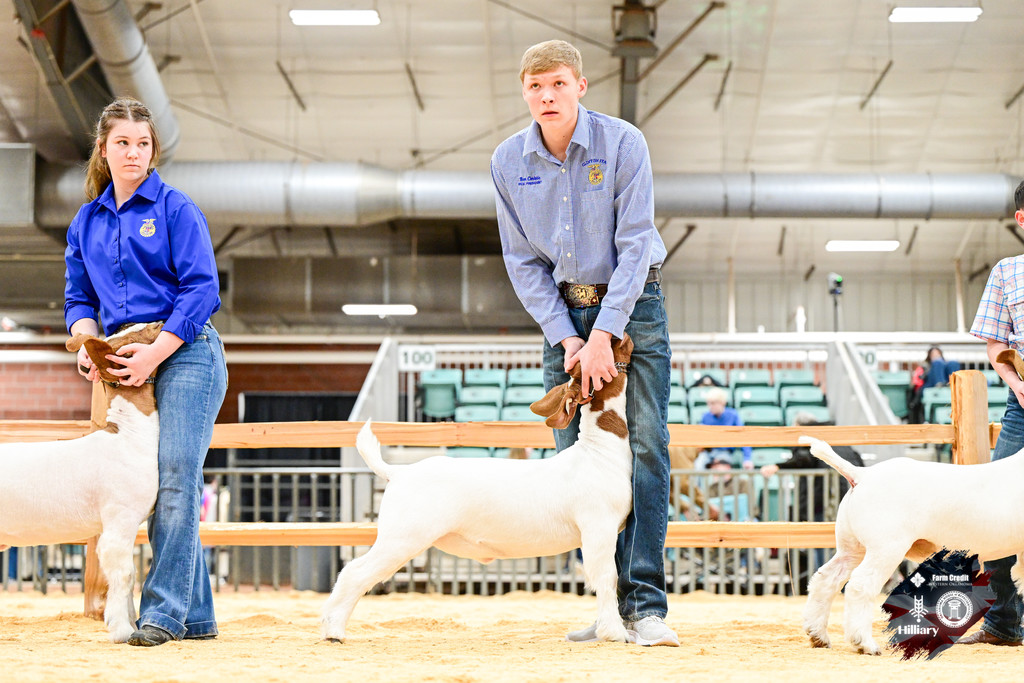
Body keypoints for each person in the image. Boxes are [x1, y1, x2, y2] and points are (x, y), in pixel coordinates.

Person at [490, 39, 677, 647]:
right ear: (524, 91)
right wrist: (568, 339)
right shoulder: (506, 161)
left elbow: (635, 243)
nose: (547, 96)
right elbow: (521, 262)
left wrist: (604, 334)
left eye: (558, 84)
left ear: (580, 86)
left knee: (645, 449)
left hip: (633, 303)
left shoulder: (624, 143)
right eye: (535, 86)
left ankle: (645, 605)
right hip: (562, 313)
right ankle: (605, 608)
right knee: (573, 462)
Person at [65, 97, 227, 647]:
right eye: (122, 143)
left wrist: (156, 352)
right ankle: (197, 616)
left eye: (142, 143)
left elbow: (203, 289)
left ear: (153, 150)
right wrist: (89, 344)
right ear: (104, 150)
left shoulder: (177, 208)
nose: (133, 153)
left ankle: (161, 613)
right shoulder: (86, 221)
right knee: (153, 485)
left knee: (177, 477)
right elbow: (79, 296)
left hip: (185, 353)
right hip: (121, 358)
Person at [963, 179, 1024, 646]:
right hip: (1022, 405)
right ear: (1021, 219)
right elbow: (996, 344)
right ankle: (1003, 621)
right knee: (991, 513)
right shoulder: (1007, 271)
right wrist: (1019, 386)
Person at [760, 415, 863, 590]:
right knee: (850, 543)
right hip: (851, 499)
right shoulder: (838, 437)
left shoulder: (812, 439)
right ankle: (848, 583)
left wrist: (779, 466)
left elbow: (803, 459)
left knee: (822, 541)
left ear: (800, 426)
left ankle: (826, 583)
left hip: (822, 500)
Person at [697, 387, 753, 470]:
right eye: (709, 403)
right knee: (698, 465)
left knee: (721, 469)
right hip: (708, 452)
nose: (710, 406)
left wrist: (747, 459)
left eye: (713, 403)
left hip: (725, 452)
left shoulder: (733, 415)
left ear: (722, 403)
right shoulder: (706, 416)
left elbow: (743, 436)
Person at [908, 346, 960, 423]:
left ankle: (953, 384)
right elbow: (916, 382)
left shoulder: (945, 365)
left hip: (946, 383)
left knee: (953, 363)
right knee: (937, 363)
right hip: (930, 385)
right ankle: (939, 383)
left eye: (937, 354)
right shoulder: (925, 366)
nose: (936, 356)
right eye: (933, 354)